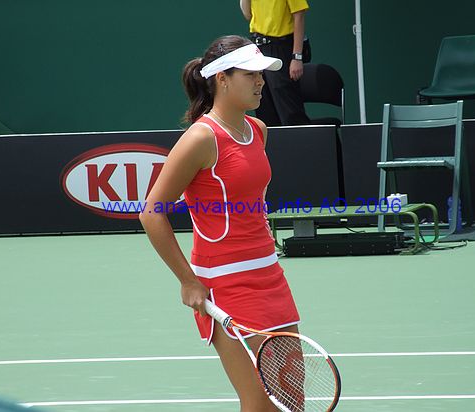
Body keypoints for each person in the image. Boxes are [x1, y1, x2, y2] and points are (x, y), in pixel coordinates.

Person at [139, 35, 300, 411]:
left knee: (292, 400)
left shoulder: (258, 130)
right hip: (227, 286)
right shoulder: (200, 138)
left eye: (261, 73)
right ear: (221, 79)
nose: (261, 81)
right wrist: (188, 281)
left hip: (271, 277)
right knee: (261, 403)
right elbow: (152, 211)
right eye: (250, 74)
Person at [240, 0, 311, 126]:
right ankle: (271, 145)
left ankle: (301, 143)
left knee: (289, 110)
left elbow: (299, 16)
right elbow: (248, 15)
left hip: (281, 46)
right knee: (264, 107)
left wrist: (297, 56)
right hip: (258, 46)